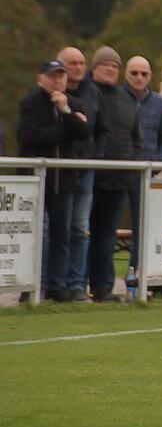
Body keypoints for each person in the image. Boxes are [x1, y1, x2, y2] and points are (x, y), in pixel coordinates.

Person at [17, 60, 90, 302]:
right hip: (35, 184)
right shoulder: (29, 103)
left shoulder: (74, 103)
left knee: (62, 235)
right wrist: (66, 128)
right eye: (53, 76)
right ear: (41, 79)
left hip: (64, 181)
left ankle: (57, 286)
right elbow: (30, 137)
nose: (58, 81)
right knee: (37, 235)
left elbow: (83, 134)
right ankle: (30, 286)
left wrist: (66, 112)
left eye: (62, 76)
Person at [88, 46, 143, 303]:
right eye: (104, 64)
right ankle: (72, 285)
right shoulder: (87, 93)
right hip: (87, 177)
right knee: (78, 232)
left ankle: (103, 287)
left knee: (106, 234)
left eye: (114, 65)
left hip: (119, 177)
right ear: (94, 67)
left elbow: (136, 138)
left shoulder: (125, 98)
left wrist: (132, 167)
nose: (110, 69)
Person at [57, 46, 109, 303]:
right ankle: (51, 284)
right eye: (72, 63)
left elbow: (100, 129)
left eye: (80, 62)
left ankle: (77, 284)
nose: (77, 67)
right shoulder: (53, 92)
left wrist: (94, 156)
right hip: (58, 170)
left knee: (80, 228)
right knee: (55, 228)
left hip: (85, 168)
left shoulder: (92, 92)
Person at [124, 56, 162, 276]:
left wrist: (156, 164)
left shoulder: (159, 103)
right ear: (126, 74)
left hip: (146, 175)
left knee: (142, 228)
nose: (139, 77)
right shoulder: (117, 98)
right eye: (134, 73)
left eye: (143, 73)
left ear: (150, 76)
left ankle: (135, 278)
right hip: (117, 171)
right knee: (100, 228)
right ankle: (96, 284)